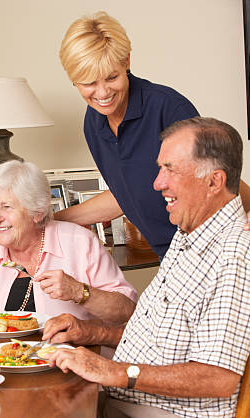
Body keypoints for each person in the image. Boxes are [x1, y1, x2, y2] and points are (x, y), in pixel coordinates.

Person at [42, 117, 250, 418]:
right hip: (128, 401)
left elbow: (218, 378)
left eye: (171, 169)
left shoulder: (236, 253)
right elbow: (161, 338)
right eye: (160, 167)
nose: (157, 183)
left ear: (214, 181)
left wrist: (115, 372)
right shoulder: (189, 232)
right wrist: (91, 334)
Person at [55, 11, 250, 258]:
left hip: (211, 250)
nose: (102, 92)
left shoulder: (168, 109)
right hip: (169, 255)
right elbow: (127, 193)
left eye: (112, 77)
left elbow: (216, 181)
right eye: (88, 83)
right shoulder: (93, 124)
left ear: (126, 61)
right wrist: (52, 220)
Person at [0, 160, 137, 324]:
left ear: (37, 212)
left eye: (7, 207)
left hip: (67, 362)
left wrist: (79, 292)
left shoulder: (80, 244)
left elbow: (127, 311)